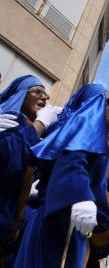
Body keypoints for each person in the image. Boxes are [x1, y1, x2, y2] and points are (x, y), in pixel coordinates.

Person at [14, 84, 109, 268]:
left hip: (69, 224)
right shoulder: (85, 123)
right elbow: (72, 159)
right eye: (108, 101)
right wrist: (80, 196)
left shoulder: (93, 136)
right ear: (92, 104)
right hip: (60, 224)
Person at [0, 75, 60, 265]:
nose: (45, 97)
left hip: (12, 232)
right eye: (37, 92)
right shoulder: (10, 119)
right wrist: (39, 125)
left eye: (45, 93)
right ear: (20, 95)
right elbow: (12, 158)